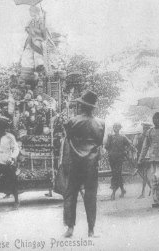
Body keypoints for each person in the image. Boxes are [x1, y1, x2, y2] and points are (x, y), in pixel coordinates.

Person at [63, 90, 105, 238]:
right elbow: (99, 143)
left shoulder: (72, 121)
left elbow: (68, 140)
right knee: (91, 196)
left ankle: (70, 228)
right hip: (91, 164)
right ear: (93, 107)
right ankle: (91, 230)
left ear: (81, 105)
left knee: (70, 195)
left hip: (75, 163)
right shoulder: (101, 123)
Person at [0, 116, 20, 209]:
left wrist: (11, 158)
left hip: (7, 162)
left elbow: (15, 149)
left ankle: (16, 201)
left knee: (12, 181)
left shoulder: (10, 137)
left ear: (3, 128)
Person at [105, 123, 136, 200]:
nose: (116, 128)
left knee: (116, 174)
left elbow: (130, 144)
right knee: (116, 174)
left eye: (117, 127)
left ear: (119, 128)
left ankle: (113, 193)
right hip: (112, 158)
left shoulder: (123, 137)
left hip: (119, 158)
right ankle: (122, 190)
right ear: (113, 128)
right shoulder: (110, 137)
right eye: (114, 127)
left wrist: (125, 151)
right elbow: (106, 147)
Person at [133, 122, 152, 198]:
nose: (146, 130)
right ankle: (151, 188)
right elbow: (134, 145)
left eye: (147, 129)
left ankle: (143, 193)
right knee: (144, 175)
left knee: (144, 175)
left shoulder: (150, 137)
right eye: (144, 128)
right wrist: (135, 137)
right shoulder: (139, 136)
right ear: (143, 129)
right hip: (140, 158)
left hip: (147, 158)